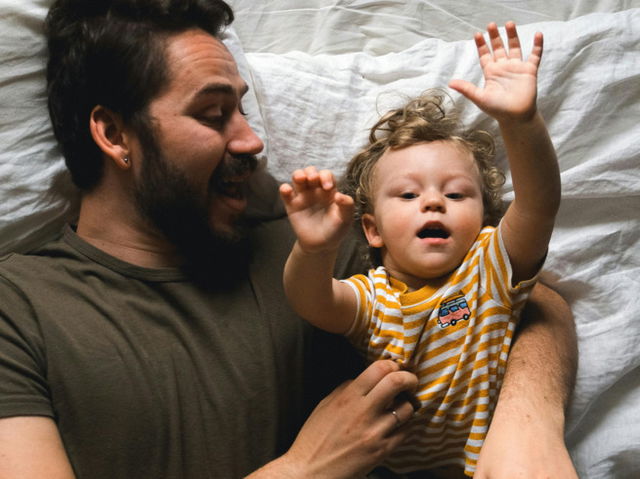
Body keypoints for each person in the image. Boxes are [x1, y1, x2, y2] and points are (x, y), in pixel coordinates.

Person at [0, 0, 576, 477]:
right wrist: (306, 468)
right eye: (213, 113)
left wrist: (528, 429)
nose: (252, 141)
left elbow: (523, 295)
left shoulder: (308, 242)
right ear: (113, 132)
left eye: (243, 110)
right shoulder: (19, 310)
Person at [280, 22, 573, 477]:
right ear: (373, 231)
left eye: (456, 195)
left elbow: (539, 204)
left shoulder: (488, 265)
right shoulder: (376, 298)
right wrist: (314, 249)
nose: (434, 201)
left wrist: (520, 123)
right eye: (408, 195)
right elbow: (313, 301)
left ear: (482, 219)